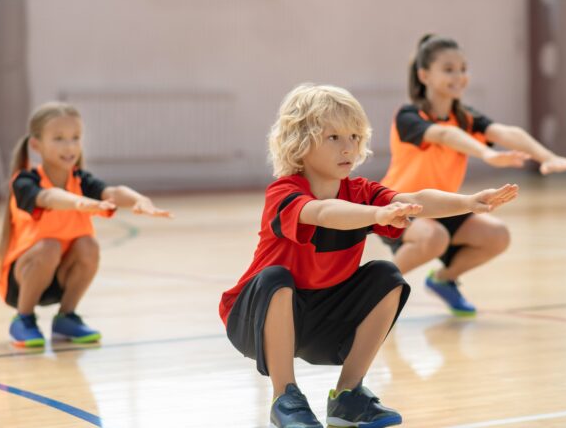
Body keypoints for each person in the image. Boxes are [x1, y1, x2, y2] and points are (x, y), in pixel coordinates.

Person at [219, 84, 518, 428]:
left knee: (386, 276)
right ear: (299, 142)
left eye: (355, 136)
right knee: (276, 278)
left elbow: (416, 198)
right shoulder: (284, 192)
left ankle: (348, 397)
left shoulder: (362, 192)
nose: (349, 147)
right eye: (333, 137)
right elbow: (324, 213)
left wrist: (466, 202)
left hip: (317, 322)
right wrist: (375, 216)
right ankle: (285, 397)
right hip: (253, 319)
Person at [380, 34, 566, 317]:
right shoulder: (409, 115)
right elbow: (445, 135)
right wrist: (486, 154)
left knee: (497, 235)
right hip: (399, 206)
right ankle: (374, 294)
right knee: (433, 238)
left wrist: (547, 157)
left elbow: (506, 133)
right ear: (424, 75)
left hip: (443, 207)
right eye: (449, 69)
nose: (459, 76)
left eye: (463, 69)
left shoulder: (466, 117)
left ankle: (443, 279)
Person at [0, 102, 171, 348]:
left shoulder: (81, 180)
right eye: (59, 138)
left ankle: (66, 317)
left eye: (75, 138)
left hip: (59, 276)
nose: (70, 146)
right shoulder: (25, 180)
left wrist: (140, 200)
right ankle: (23, 319)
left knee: (88, 245)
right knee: (49, 246)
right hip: (20, 279)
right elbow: (48, 197)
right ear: (35, 144)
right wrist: (80, 203)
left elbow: (113, 192)